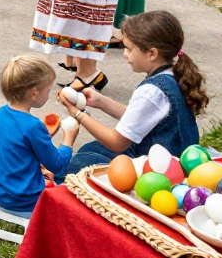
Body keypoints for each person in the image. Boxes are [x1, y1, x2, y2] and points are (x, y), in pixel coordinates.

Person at [57, 11, 206, 180]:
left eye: (129, 48)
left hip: (159, 171)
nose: (125, 54)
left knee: (80, 164)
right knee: (92, 150)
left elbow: (116, 142)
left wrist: (78, 115)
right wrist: (100, 101)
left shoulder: (151, 91)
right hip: (173, 158)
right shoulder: (174, 72)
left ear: (152, 54)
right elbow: (140, 116)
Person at [0, 55, 76, 216]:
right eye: (48, 89)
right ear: (34, 94)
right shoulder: (33, 126)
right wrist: (69, 139)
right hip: (25, 200)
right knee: (68, 184)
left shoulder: (1, 114)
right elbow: (57, 165)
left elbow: (17, 147)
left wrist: (45, 137)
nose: (49, 93)